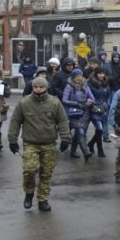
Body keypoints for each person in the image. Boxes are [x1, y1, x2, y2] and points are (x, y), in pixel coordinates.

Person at [7, 76, 71, 212]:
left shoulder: (54, 103)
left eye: (41, 87)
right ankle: (29, 192)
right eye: (36, 87)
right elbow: (15, 122)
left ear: (46, 88)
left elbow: (62, 121)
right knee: (29, 170)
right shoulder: (24, 103)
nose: (38, 89)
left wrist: (65, 138)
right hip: (31, 143)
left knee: (46, 172)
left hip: (49, 143)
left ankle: (43, 199)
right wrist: (12, 140)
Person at [61, 68, 95, 160]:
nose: (80, 78)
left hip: (84, 112)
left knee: (79, 132)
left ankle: (73, 151)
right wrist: (76, 103)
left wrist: (87, 102)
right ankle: (86, 152)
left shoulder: (85, 85)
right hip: (74, 112)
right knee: (80, 130)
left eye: (81, 76)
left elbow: (92, 98)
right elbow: (64, 99)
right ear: (73, 77)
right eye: (77, 76)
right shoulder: (69, 86)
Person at [88, 69, 113, 157]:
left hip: (104, 110)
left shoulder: (106, 83)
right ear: (96, 74)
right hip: (94, 109)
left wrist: (107, 103)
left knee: (100, 131)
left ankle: (90, 144)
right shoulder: (90, 84)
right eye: (100, 73)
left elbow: (109, 95)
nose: (102, 75)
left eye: (103, 73)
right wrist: (93, 103)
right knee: (99, 129)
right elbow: (88, 95)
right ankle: (100, 149)